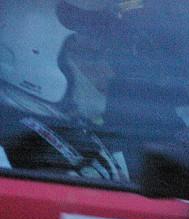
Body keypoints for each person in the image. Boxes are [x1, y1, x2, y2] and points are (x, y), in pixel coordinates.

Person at [0, 0, 129, 182]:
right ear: (34, 55)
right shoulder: (25, 150)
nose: (109, 72)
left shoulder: (67, 126)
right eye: (92, 57)